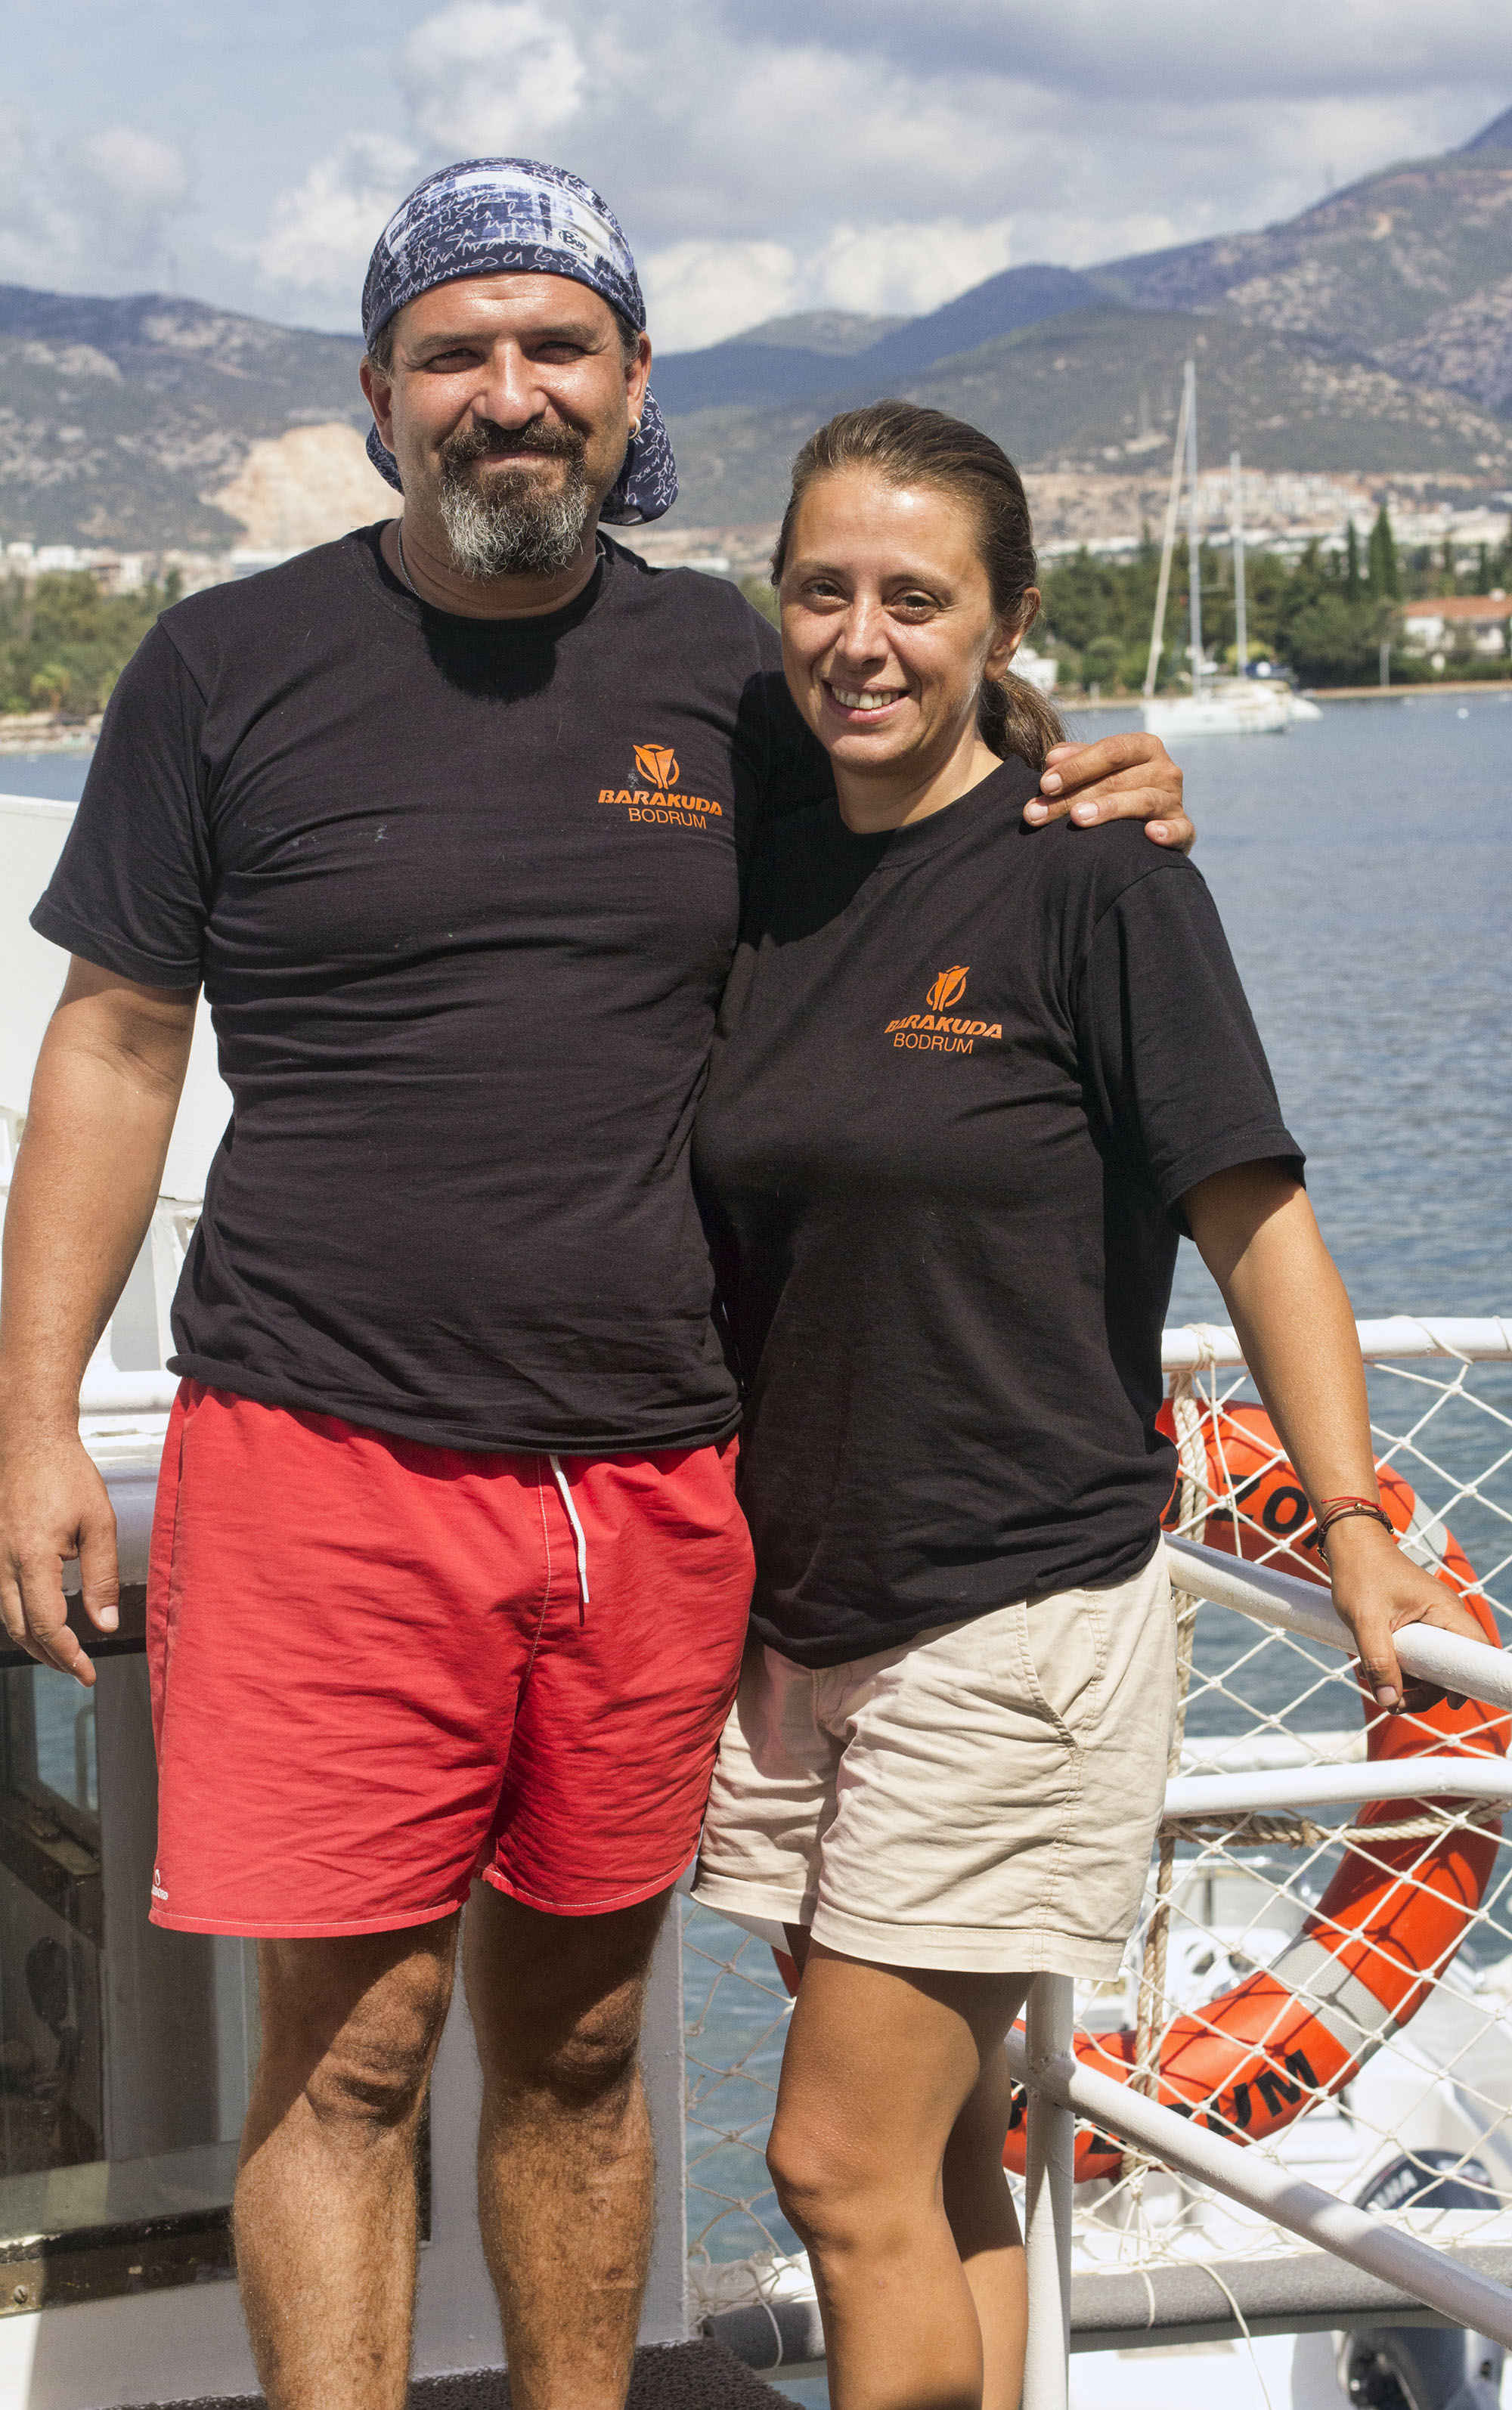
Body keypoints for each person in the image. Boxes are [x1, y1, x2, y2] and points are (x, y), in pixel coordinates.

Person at [0, 163, 1188, 2410]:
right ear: (378, 393)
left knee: (583, 2041)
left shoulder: (726, 673)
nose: (508, 390)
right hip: (320, 1459)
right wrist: (33, 1415)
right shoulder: (223, 668)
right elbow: (117, 1045)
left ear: (634, 382)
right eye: (452, 350)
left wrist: (1099, 771)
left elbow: (935, 801)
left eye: (557, 345)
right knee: (348, 2053)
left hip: (649, 1483)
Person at [689, 400, 1495, 2410]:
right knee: (941, 2157)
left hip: (1015, 1616)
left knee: (833, 2160)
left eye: (916, 597)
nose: (861, 638)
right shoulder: (763, 861)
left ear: (1009, 618)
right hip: (802, 1623)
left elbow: (1259, 1223)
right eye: (821, 590)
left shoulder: (1097, 883)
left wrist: (1358, 1529)